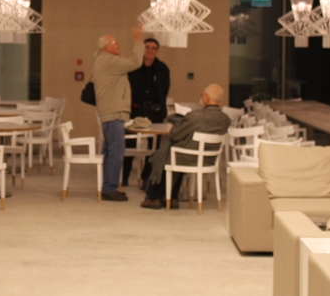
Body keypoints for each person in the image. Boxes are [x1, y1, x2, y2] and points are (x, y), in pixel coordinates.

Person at [140, 83, 231, 209]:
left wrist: (179, 122)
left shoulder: (195, 116)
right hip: (209, 159)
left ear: (205, 98)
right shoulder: (225, 119)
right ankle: (172, 197)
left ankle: (155, 197)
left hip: (189, 157)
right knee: (173, 151)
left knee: (167, 152)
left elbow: (175, 135)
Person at [93, 25, 144, 201]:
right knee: (116, 151)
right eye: (115, 43)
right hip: (113, 112)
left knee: (111, 151)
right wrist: (138, 40)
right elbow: (135, 62)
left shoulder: (105, 61)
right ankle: (109, 189)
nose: (119, 45)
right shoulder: (108, 61)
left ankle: (108, 186)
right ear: (106, 47)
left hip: (112, 112)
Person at [122, 37, 170, 186]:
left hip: (154, 112)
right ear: (143, 49)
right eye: (147, 47)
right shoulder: (134, 66)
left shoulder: (162, 68)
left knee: (154, 147)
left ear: (157, 51)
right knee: (129, 143)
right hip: (135, 110)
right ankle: (124, 176)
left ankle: (147, 177)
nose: (150, 51)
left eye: (153, 48)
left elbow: (164, 90)